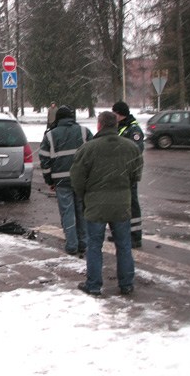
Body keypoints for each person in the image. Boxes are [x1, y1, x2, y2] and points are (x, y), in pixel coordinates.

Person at [70, 111, 143, 296]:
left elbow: (77, 179)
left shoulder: (88, 148)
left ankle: (94, 284)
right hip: (121, 204)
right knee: (124, 245)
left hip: (96, 205)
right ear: (116, 126)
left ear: (99, 125)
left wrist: (86, 194)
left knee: (94, 245)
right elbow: (136, 175)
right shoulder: (130, 147)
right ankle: (126, 283)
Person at [39, 105, 93, 255]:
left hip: (61, 181)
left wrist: (49, 180)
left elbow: (44, 159)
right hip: (82, 180)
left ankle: (71, 245)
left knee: (67, 213)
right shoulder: (84, 131)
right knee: (82, 212)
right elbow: (94, 153)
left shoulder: (51, 135)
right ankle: (83, 242)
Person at [112, 101, 145, 248]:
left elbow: (135, 151)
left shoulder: (133, 129)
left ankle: (135, 236)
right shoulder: (119, 127)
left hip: (128, 173)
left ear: (119, 113)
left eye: (114, 113)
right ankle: (121, 233)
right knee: (119, 204)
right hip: (117, 173)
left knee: (131, 204)